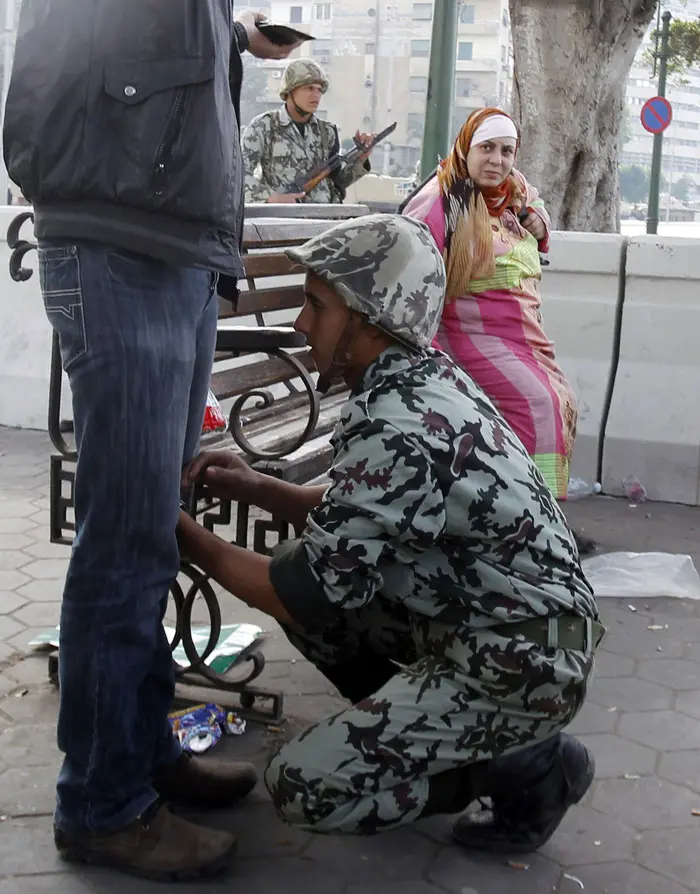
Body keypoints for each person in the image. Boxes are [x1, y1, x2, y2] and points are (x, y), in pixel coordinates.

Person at [177, 214, 604, 853]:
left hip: (523, 660)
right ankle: (446, 731)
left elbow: (298, 593)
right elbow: (374, 508)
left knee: (303, 787)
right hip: (503, 627)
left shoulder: (398, 423)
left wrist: (176, 532)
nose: (300, 323)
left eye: (316, 307)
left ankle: (515, 767)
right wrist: (261, 488)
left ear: (368, 323)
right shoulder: (419, 377)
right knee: (311, 571)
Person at [2, 2, 300, 882]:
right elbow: (51, 99)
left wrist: (238, 40)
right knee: (127, 542)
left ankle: (144, 754)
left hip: (178, 257)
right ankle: (102, 803)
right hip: (124, 252)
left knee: (151, 530)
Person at [401, 108, 593, 551]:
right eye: (487, 148)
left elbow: (537, 208)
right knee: (537, 404)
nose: (498, 160)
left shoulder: (513, 193)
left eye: (507, 151)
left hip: (521, 338)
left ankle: (538, 518)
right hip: (465, 339)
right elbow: (410, 273)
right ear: (466, 147)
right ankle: (529, 526)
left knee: (561, 401)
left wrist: (539, 223)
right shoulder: (440, 202)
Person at [242, 58, 374, 204]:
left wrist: (361, 159)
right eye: (309, 88)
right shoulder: (264, 127)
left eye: (319, 90)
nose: (316, 95)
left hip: (325, 218)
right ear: (290, 90)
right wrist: (269, 198)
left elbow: (338, 181)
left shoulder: (327, 131)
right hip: (282, 220)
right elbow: (239, 174)